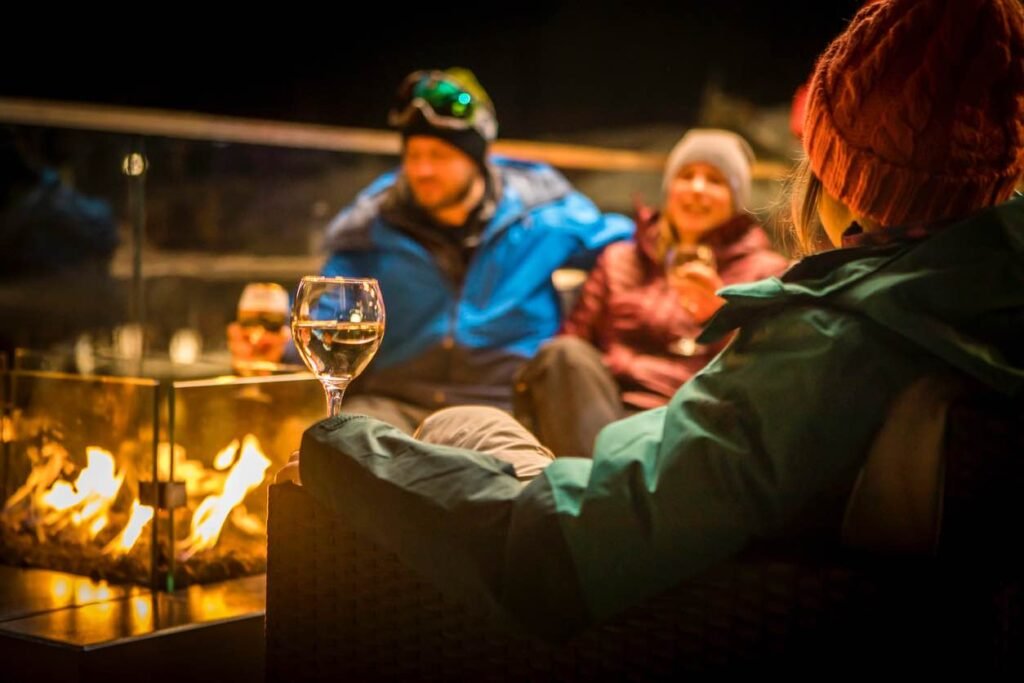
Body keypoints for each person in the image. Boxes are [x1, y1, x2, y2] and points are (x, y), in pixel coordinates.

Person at [290, 0, 1024, 638]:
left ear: (842, 173)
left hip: (678, 604)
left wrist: (340, 448)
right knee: (477, 421)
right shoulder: (979, 302)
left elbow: (552, 554)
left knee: (450, 433)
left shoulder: (832, 343)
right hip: (731, 532)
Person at [243, 67, 633, 432]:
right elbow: (323, 315)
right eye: (414, 155)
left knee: (492, 473)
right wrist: (275, 349)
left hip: (505, 409)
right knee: (339, 451)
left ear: (479, 159)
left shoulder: (541, 216)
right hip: (395, 405)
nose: (423, 170)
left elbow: (630, 250)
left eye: (440, 156)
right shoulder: (371, 228)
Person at [514, 129, 789, 456]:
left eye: (715, 180)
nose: (697, 189)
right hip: (605, 415)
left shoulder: (765, 272)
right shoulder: (619, 259)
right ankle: (610, 478)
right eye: (686, 176)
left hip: (691, 424)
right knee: (562, 353)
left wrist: (719, 320)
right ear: (669, 186)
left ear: (736, 197)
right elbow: (570, 348)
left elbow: (768, 376)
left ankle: (604, 486)